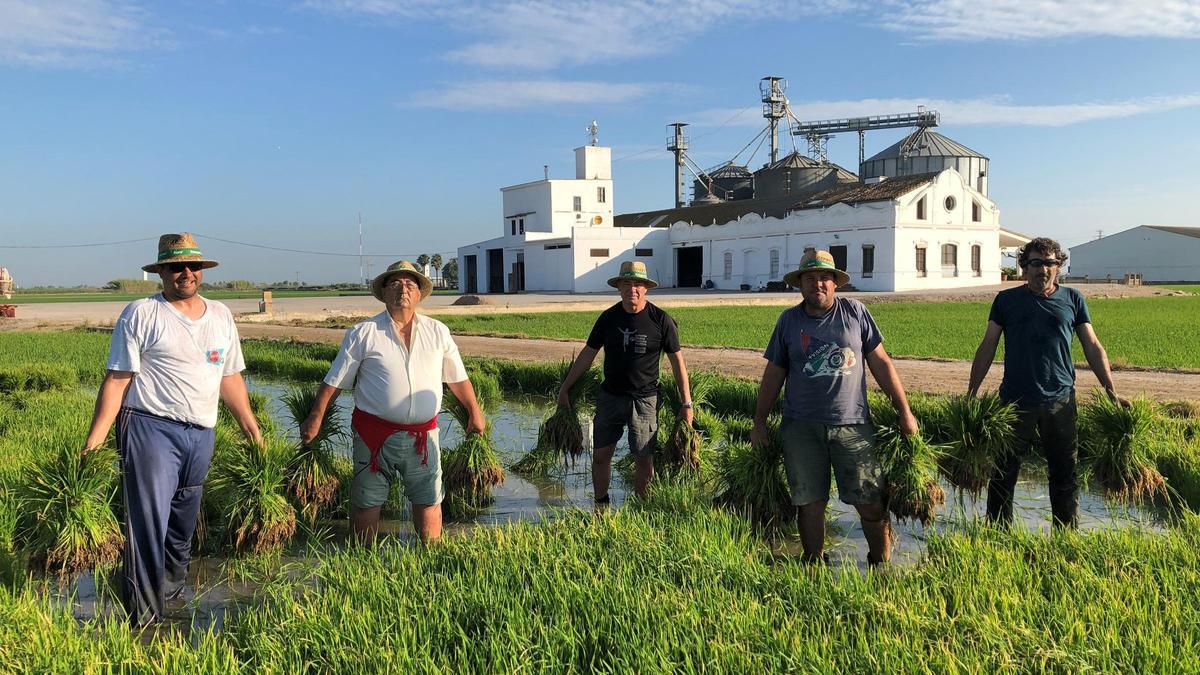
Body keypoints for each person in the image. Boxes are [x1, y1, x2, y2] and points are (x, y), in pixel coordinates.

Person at [82, 233, 262, 627]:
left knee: (182, 521)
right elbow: (117, 379)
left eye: (193, 266)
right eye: (176, 267)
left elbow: (228, 376)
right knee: (149, 523)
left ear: (202, 271)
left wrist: (252, 428)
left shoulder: (220, 316)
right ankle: (145, 620)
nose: (186, 273)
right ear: (161, 271)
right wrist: (93, 442)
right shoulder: (142, 313)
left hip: (202, 432)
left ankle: (172, 593)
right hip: (150, 428)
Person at [750, 250, 917, 565]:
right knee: (810, 502)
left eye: (825, 278)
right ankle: (814, 564)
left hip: (852, 425)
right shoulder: (788, 321)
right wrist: (759, 422)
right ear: (800, 284)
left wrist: (904, 411)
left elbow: (881, 362)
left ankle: (880, 564)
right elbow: (774, 373)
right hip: (801, 427)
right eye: (810, 278)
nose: (818, 284)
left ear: (835, 283)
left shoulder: (855, 312)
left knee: (869, 501)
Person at [301, 260, 484, 543]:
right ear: (384, 292)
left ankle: (431, 556)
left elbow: (457, 378)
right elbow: (334, 381)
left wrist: (474, 411)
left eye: (410, 283)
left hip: (423, 436)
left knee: (429, 498)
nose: (403, 289)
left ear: (420, 293)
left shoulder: (438, 332)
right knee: (367, 500)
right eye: (395, 283)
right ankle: (363, 558)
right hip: (374, 435)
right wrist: (316, 417)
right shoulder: (363, 333)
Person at [968, 237, 1123, 528]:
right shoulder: (1006, 301)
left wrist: (1111, 391)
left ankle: (1065, 533)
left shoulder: (1073, 299)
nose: (1043, 269)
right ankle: (998, 531)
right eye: (1036, 263)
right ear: (1024, 267)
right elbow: (988, 345)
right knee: (1003, 471)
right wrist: (971, 392)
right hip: (1015, 401)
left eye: (1050, 263)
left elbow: (1092, 345)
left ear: (1059, 266)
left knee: (1065, 472)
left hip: (1060, 401)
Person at [557, 260, 692, 503]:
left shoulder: (661, 320)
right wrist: (565, 388)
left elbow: (677, 363)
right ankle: (601, 504)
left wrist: (687, 404)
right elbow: (588, 355)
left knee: (643, 456)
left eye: (638, 284)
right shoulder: (608, 319)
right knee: (600, 455)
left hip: (645, 400)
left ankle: (642, 507)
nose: (633, 289)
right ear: (619, 287)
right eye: (627, 283)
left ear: (646, 289)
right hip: (610, 397)